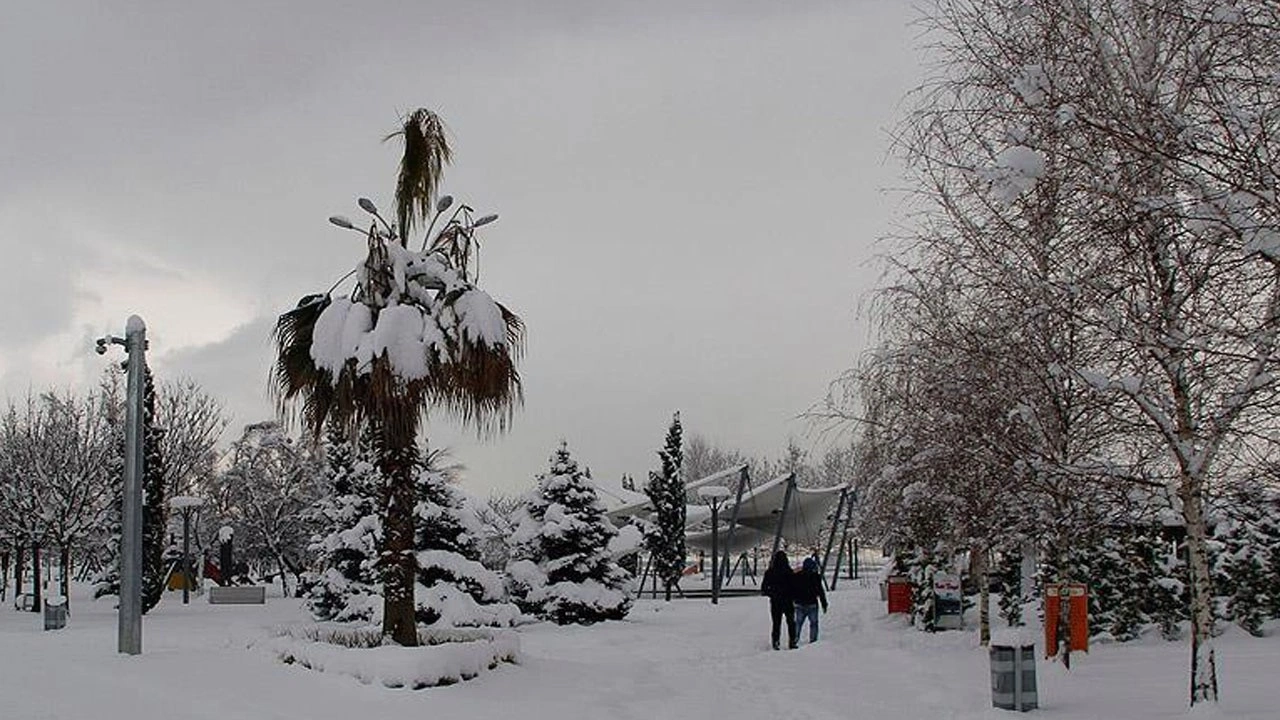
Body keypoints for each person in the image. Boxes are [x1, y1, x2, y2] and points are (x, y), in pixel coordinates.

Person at [761, 550, 798, 650]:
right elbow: (795, 587)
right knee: (791, 622)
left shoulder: (769, 572)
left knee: (776, 623)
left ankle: (776, 642)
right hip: (788, 601)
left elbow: (764, 589)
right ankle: (793, 641)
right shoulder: (790, 572)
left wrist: (772, 594)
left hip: (776, 601)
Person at [793, 556, 829, 644]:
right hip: (812, 603)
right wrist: (824, 603)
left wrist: (792, 600)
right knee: (814, 623)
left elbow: (792, 589)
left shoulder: (797, 576)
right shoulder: (815, 577)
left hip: (799, 603)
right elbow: (820, 591)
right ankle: (813, 640)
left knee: (798, 623)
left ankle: (795, 639)